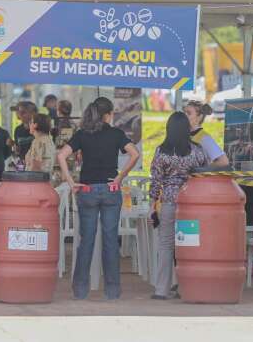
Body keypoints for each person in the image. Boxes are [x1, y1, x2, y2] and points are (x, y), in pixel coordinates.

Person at [57, 97, 140, 300]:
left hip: (86, 190)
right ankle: (112, 291)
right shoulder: (116, 134)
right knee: (111, 240)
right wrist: (120, 177)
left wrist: (70, 181)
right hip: (110, 189)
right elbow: (134, 154)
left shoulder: (82, 134)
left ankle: (80, 290)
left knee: (86, 240)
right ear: (108, 115)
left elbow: (61, 156)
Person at [149, 112, 209, 299]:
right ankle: (186, 287)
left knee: (166, 245)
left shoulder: (161, 151)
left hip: (168, 202)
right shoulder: (197, 151)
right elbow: (204, 174)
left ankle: (161, 290)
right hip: (190, 203)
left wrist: (152, 206)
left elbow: (156, 181)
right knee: (188, 245)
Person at [184, 100, 230, 166]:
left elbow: (223, 161)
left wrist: (201, 170)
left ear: (199, 117)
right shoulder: (185, 134)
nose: (184, 115)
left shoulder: (204, 138)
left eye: (188, 113)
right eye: (184, 112)